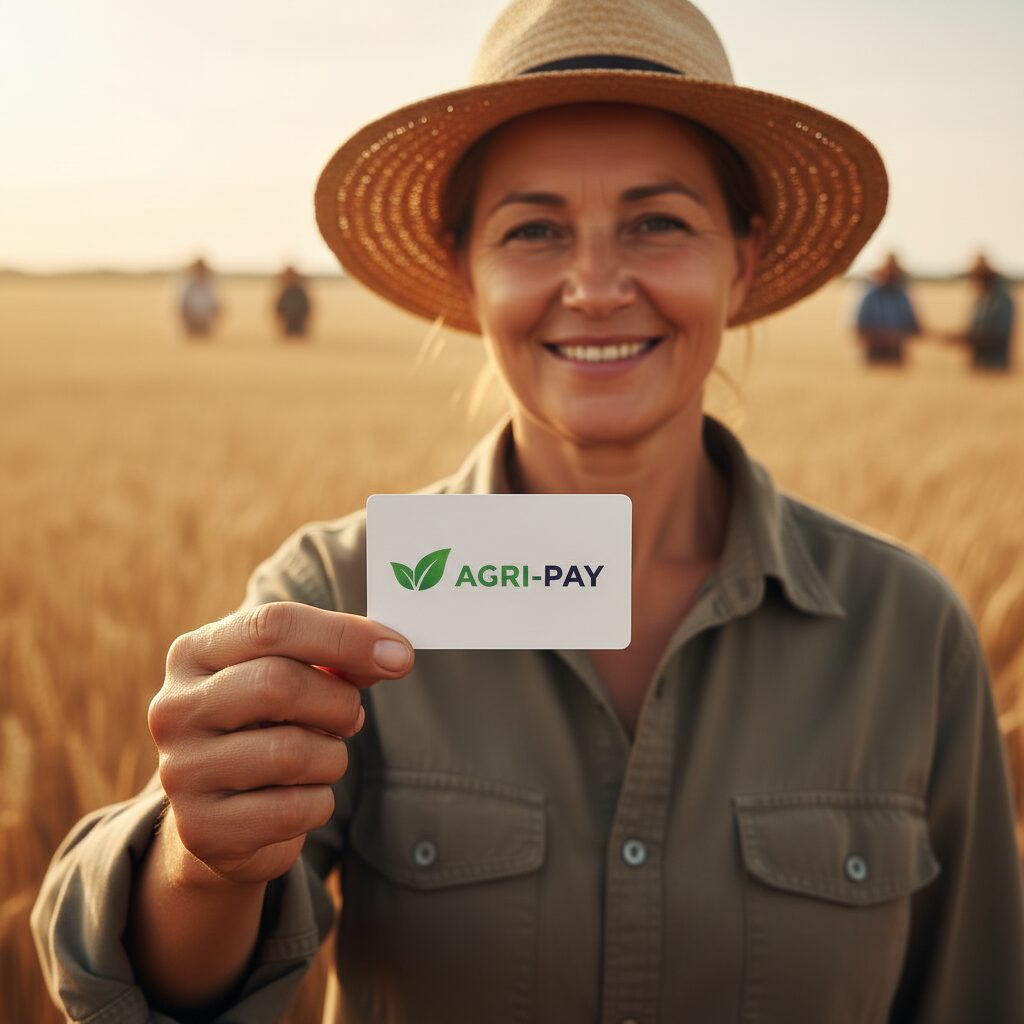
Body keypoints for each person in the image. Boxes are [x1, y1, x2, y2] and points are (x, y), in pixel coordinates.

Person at [32, 1, 1023, 1022]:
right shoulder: (341, 601)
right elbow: (147, 988)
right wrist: (201, 858)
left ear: (744, 255)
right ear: (463, 270)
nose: (595, 286)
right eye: (534, 229)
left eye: (657, 222)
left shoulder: (909, 634)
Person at [947, 253, 1016, 372]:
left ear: (986, 279)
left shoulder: (1002, 300)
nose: (973, 282)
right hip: (979, 365)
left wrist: (963, 338)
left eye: (976, 278)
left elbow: (997, 334)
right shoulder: (980, 301)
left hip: (995, 366)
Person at [854, 252, 921, 366]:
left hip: (896, 353)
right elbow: (858, 329)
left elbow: (914, 327)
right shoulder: (868, 296)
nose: (891, 275)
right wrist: (885, 338)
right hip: (873, 353)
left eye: (894, 272)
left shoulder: (902, 296)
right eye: (888, 271)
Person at [178, 257, 221, 339]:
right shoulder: (187, 285)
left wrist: (214, 317)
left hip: (206, 322)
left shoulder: (210, 285)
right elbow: (180, 305)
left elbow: (217, 305)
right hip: (190, 322)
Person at [274, 264, 312, 339]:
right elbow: (279, 308)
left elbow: (307, 308)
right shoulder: (286, 292)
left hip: (299, 325)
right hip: (288, 325)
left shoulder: (300, 292)